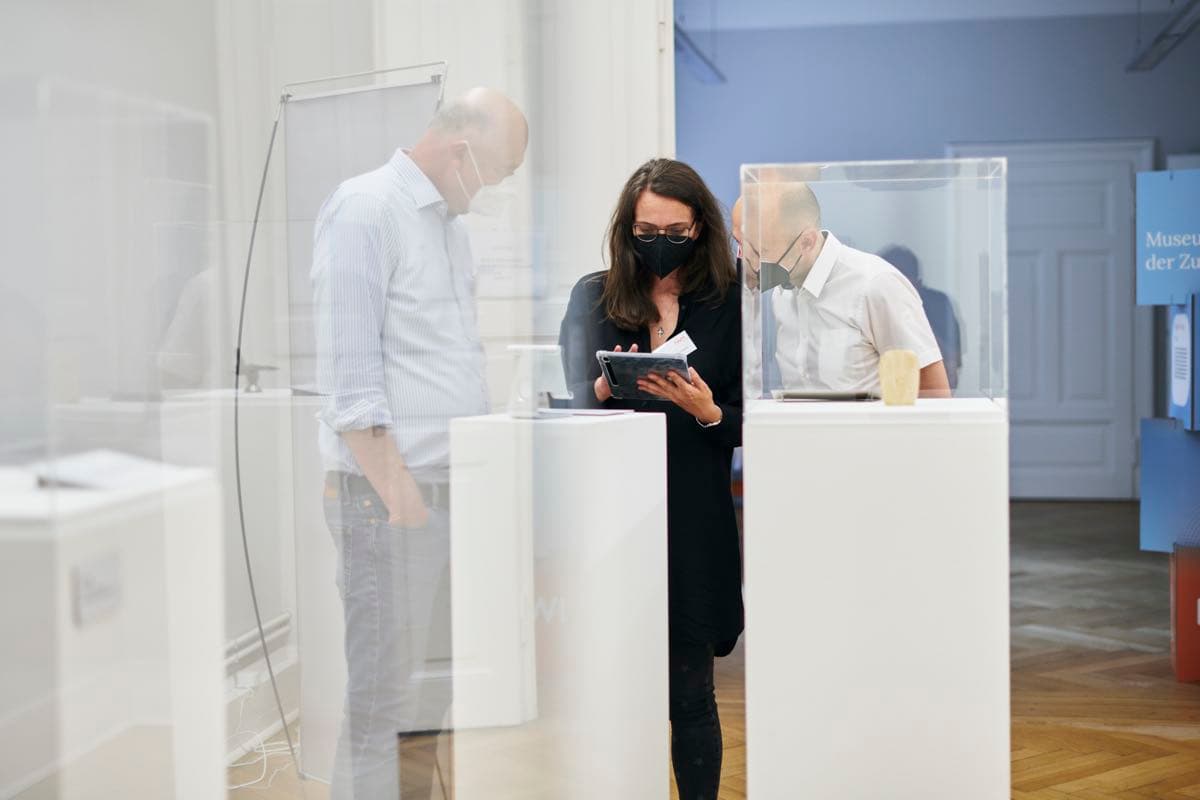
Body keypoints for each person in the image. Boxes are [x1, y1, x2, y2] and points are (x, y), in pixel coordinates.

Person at [311, 87, 528, 800]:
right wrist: (407, 510)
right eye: (492, 175)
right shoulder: (365, 209)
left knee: (427, 702)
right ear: (460, 150)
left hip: (446, 493)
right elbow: (351, 386)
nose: (488, 193)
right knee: (381, 702)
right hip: (389, 505)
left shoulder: (447, 226)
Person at [559, 158, 742, 800]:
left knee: (691, 692)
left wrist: (707, 409)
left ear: (701, 228)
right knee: (610, 685)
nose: (658, 240)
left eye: (675, 228)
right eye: (646, 227)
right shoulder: (593, 296)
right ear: (626, 227)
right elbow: (567, 408)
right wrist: (604, 389)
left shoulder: (732, 301)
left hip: (695, 516)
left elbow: (754, 418)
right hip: (613, 517)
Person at [752, 183, 951, 397]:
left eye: (764, 251)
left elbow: (934, 393)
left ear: (807, 242)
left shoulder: (876, 284)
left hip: (872, 430)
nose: (757, 264)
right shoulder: (781, 295)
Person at [878, 245, 963, 390]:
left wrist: (910, 318)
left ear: (915, 283)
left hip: (930, 395)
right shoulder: (877, 305)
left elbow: (953, 361)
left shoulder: (938, 304)